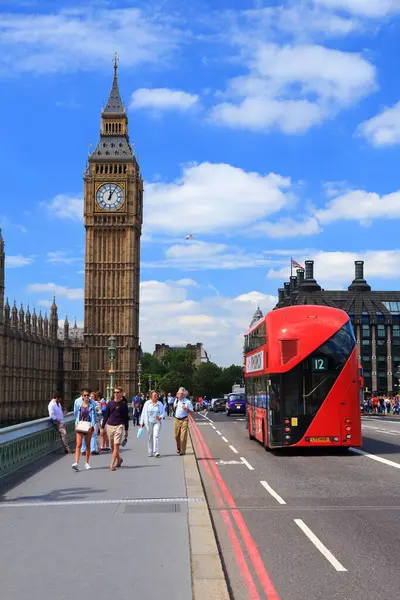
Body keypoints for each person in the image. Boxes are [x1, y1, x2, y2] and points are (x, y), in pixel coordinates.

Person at [102, 387, 129, 471]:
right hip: (110, 426)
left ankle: (111, 465)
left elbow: (126, 418)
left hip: (119, 426)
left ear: (121, 393)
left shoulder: (124, 405)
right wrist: (102, 427)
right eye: (115, 392)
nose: (116, 394)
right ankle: (119, 459)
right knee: (113, 447)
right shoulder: (110, 403)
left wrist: (126, 431)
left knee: (116, 446)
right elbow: (106, 416)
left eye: (118, 392)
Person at [72, 389, 97, 471]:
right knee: (78, 445)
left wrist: (92, 426)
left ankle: (87, 463)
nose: (86, 396)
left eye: (87, 395)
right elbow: (76, 414)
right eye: (85, 395)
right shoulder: (79, 404)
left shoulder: (92, 405)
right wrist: (76, 424)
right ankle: (76, 463)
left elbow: (94, 416)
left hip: (88, 426)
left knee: (87, 445)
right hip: (80, 426)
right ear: (82, 396)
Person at [140, 390, 165, 458]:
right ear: (151, 396)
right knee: (150, 436)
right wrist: (141, 422)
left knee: (156, 435)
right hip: (149, 422)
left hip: (157, 422)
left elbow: (163, 413)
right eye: (154, 396)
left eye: (156, 396)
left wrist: (160, 417)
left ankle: (156, 451)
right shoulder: (147, 403)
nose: (155, 397)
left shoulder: (160, 404)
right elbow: (143, 413)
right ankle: (150, 451)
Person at [173, 387, 193, 456]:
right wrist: (174, 406)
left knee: (183, 436)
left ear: (184, 395)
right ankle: (178, 447)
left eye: (181, 394)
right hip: (176, 419)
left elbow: (191, 412)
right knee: (176, 435)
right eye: (178, 393)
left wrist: (186, 409)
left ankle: (183, 450)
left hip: (184, 419)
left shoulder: (188, 402)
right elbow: (174, 407)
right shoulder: (176, 400)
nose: (179, 395)